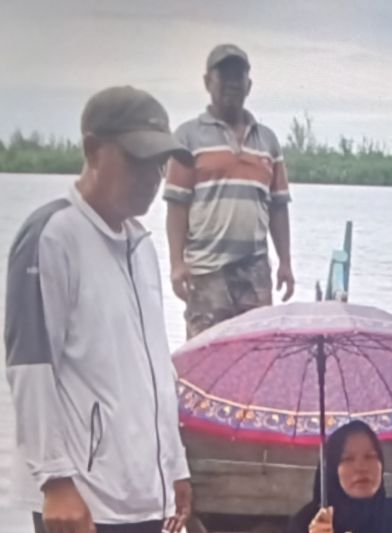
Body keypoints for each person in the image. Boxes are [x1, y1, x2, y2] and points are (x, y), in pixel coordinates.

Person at [4, 86, 193, 533]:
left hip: (144, 496)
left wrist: (175, 466)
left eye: (159, 163)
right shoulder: (51, 236)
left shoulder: (142, 248)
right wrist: (54, 482)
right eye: (137, 160)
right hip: (83, 504)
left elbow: (154, 371)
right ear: (92, 150)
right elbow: (30, 367)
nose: (152, 176)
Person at [164, 43, 294, 339]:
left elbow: (278, 206)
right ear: (208, 82)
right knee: (204, 354)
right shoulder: (187, 137)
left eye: (239, 77)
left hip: (255, 270)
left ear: (249, 85)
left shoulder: (268, 141)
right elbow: (177, 206)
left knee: (258, 355)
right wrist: (176, 263)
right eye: (224, 76)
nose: (232, 84)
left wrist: (285, 262)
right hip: (207, 271)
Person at [286, 420, 392, 533]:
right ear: (331, 468)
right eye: (347, 459)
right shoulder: (307, 522)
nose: (361, 468)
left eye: (370, 456)